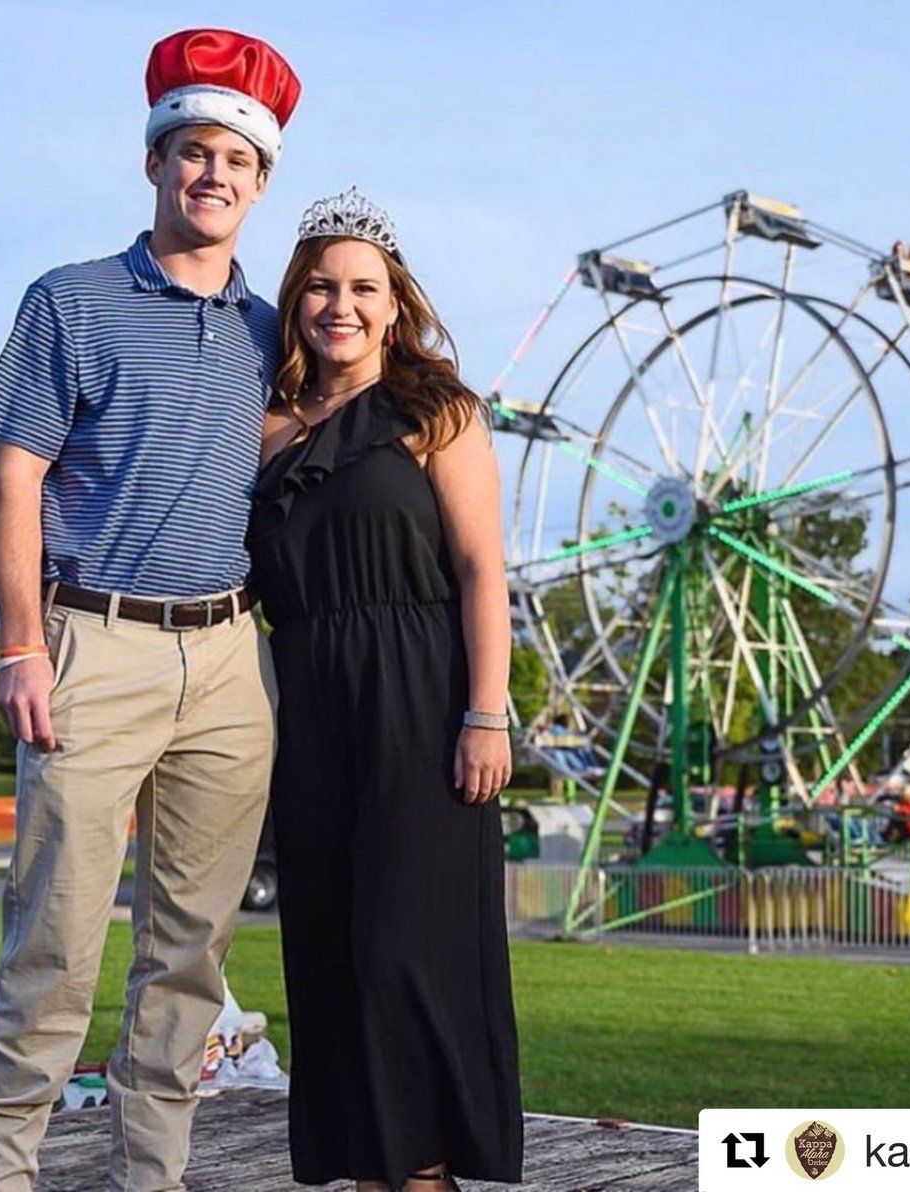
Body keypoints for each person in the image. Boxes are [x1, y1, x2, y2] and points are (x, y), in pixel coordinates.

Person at [0, 29, 299, 1191]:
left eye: (236, 161)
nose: (213, 175)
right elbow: (16, 477)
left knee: (188, 962)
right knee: (53, 946)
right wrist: (18, 645)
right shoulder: (72, 302)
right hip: (89, 645)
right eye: (192, 152)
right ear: (155, 164)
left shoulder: (273, 333)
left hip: (230, 658)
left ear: (261, 183)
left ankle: (148, 1179)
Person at [249, 188, 524, 1191]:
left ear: (395, 302)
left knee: (406, 954)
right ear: (296, 299)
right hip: (310, 710)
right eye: (321, 286)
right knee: (329, 957)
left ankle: (425, 1174)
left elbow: (484, 568)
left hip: (423, 700)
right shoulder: (265, 426)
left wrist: (485, 712)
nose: (341, 305)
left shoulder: (435, 411)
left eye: (363, 287)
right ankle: (373, 1173)